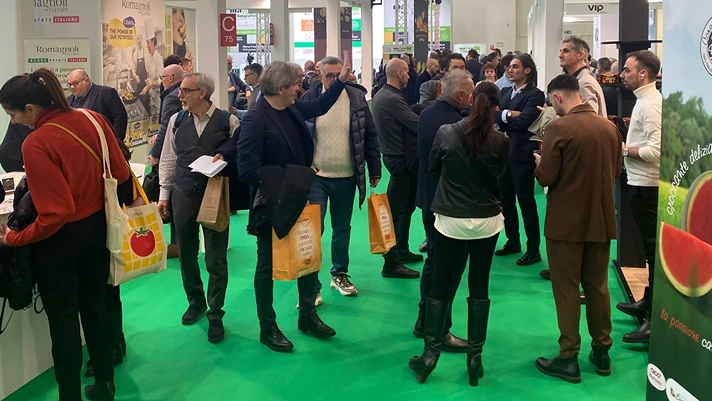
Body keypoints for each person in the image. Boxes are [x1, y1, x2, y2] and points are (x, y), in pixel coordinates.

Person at [0, 68, 130, 401]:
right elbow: (120, 172)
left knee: (63, 323)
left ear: (31, 108)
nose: (14, 122)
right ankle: (105, 383)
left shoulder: (36, 143)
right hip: (98, 231)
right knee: (95, 308)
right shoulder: (93, 119)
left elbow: (56, 213)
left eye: (13, 115)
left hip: (59, 244)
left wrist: (14, 238)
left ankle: (69, 395)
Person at [237, 54, 352, 353]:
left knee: (307, 257)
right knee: (266, 266)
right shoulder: (256, 119)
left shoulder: (292, 108)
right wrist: (295, 175)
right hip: (272, 203)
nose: (299, 89)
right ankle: (267, 327)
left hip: (300, 197)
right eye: (294, 85)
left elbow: (321, 105)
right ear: (279, 88)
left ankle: (307, 315)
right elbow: (247, 171)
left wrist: (340, 81)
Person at [408, 82, 509, 386]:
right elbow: (499, 177)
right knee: (479, 286)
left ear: (471, 100)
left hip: (450, 220)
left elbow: (433, 169)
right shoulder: (501, 140)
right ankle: (475, 359)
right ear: (496, 107)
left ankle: (429, 357)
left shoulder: (447, 132)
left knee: (441, 284)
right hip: (487, 221)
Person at [533, 74, 622, 384]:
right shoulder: (609, 128)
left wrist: (539, 163)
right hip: (601, 221)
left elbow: (546, 176)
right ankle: (602, 351)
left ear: (558, 97)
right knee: (598, 286)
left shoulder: (559, 128)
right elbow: (616, 171)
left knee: (567, 288)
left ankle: (568, 355)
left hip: (565, 223)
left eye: (552, 102)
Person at [158, 72, 240, 344]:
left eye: (185, 90)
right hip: (183, 192)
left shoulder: (228, 121)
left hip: (214, 193)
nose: (179, 95)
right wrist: (164, 194)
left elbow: (239, 150)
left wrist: (226, 154)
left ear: (202, 93)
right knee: (186, 253)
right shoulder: (176, 120)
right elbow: (168, 158)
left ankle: (215, 312)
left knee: (216, 257)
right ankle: (195, 301)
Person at [302, 56, 381, 298]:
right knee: (313, 231)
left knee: (342, 229)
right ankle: (310, 286)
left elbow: (369, 134)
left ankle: (339, 274)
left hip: (347, 176)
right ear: (320, 76)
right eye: (330, 76)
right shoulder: (309, 99)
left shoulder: (356, 97)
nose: (336, 79)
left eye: (340, 75)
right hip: (316, 177)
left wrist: (375, 168)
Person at [414, 68, 476, 354]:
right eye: (471, 94)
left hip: (430, 198)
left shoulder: (427, 113)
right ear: (461, 94)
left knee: (434, 262)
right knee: (446, 269)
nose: (473, 99)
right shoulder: (455, 123)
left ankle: (425, 319)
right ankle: (440, 329)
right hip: (447, 203)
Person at [615, 50, 662, 344]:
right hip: (639, 183)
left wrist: (624, 150)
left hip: (649, 186)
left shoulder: (651, 105)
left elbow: (656, 151)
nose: (622, 75)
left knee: (652, 252)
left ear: (643, 74)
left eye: (627, 70)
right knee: (648, 251)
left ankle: (653, 317)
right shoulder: (645, 102)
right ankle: (647, 301)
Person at [371, 58, 423, 279]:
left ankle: (401, 250)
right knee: (394, 212)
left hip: (395, 157)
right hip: (400, 159)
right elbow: (416, 124)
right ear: (400, 73)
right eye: (407, 73)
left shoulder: (383, 95)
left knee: (405, 208)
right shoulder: (392, 98)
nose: (409, 76)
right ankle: (391, 262)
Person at [494, 54, 545, 266]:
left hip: (523, 156)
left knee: (526, 203)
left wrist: (505, 116)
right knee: (506, 201)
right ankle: (513, 240)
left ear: (527, 70)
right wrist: (509, 114)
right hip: (504, 155)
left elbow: (524, 122)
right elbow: (494, 115)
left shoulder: (536, 95)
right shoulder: (505, 92)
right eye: (509, 67)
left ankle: (533, 248)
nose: (510, 69)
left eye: (515, 66)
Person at [66, 69, 128, 141]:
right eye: (70, 84)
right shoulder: (68, 101)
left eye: (75, 83)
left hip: (104, 143)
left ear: (86, 81)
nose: (72, 87)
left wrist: (115, 142)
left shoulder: (106, 93)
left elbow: (120, 118)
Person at [558, 37, 607, 116]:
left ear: (580, 55)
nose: (560, 55)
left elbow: (588, 117)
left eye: (566, 51)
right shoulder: (580, 80)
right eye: (560, 51)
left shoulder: (584, 83)